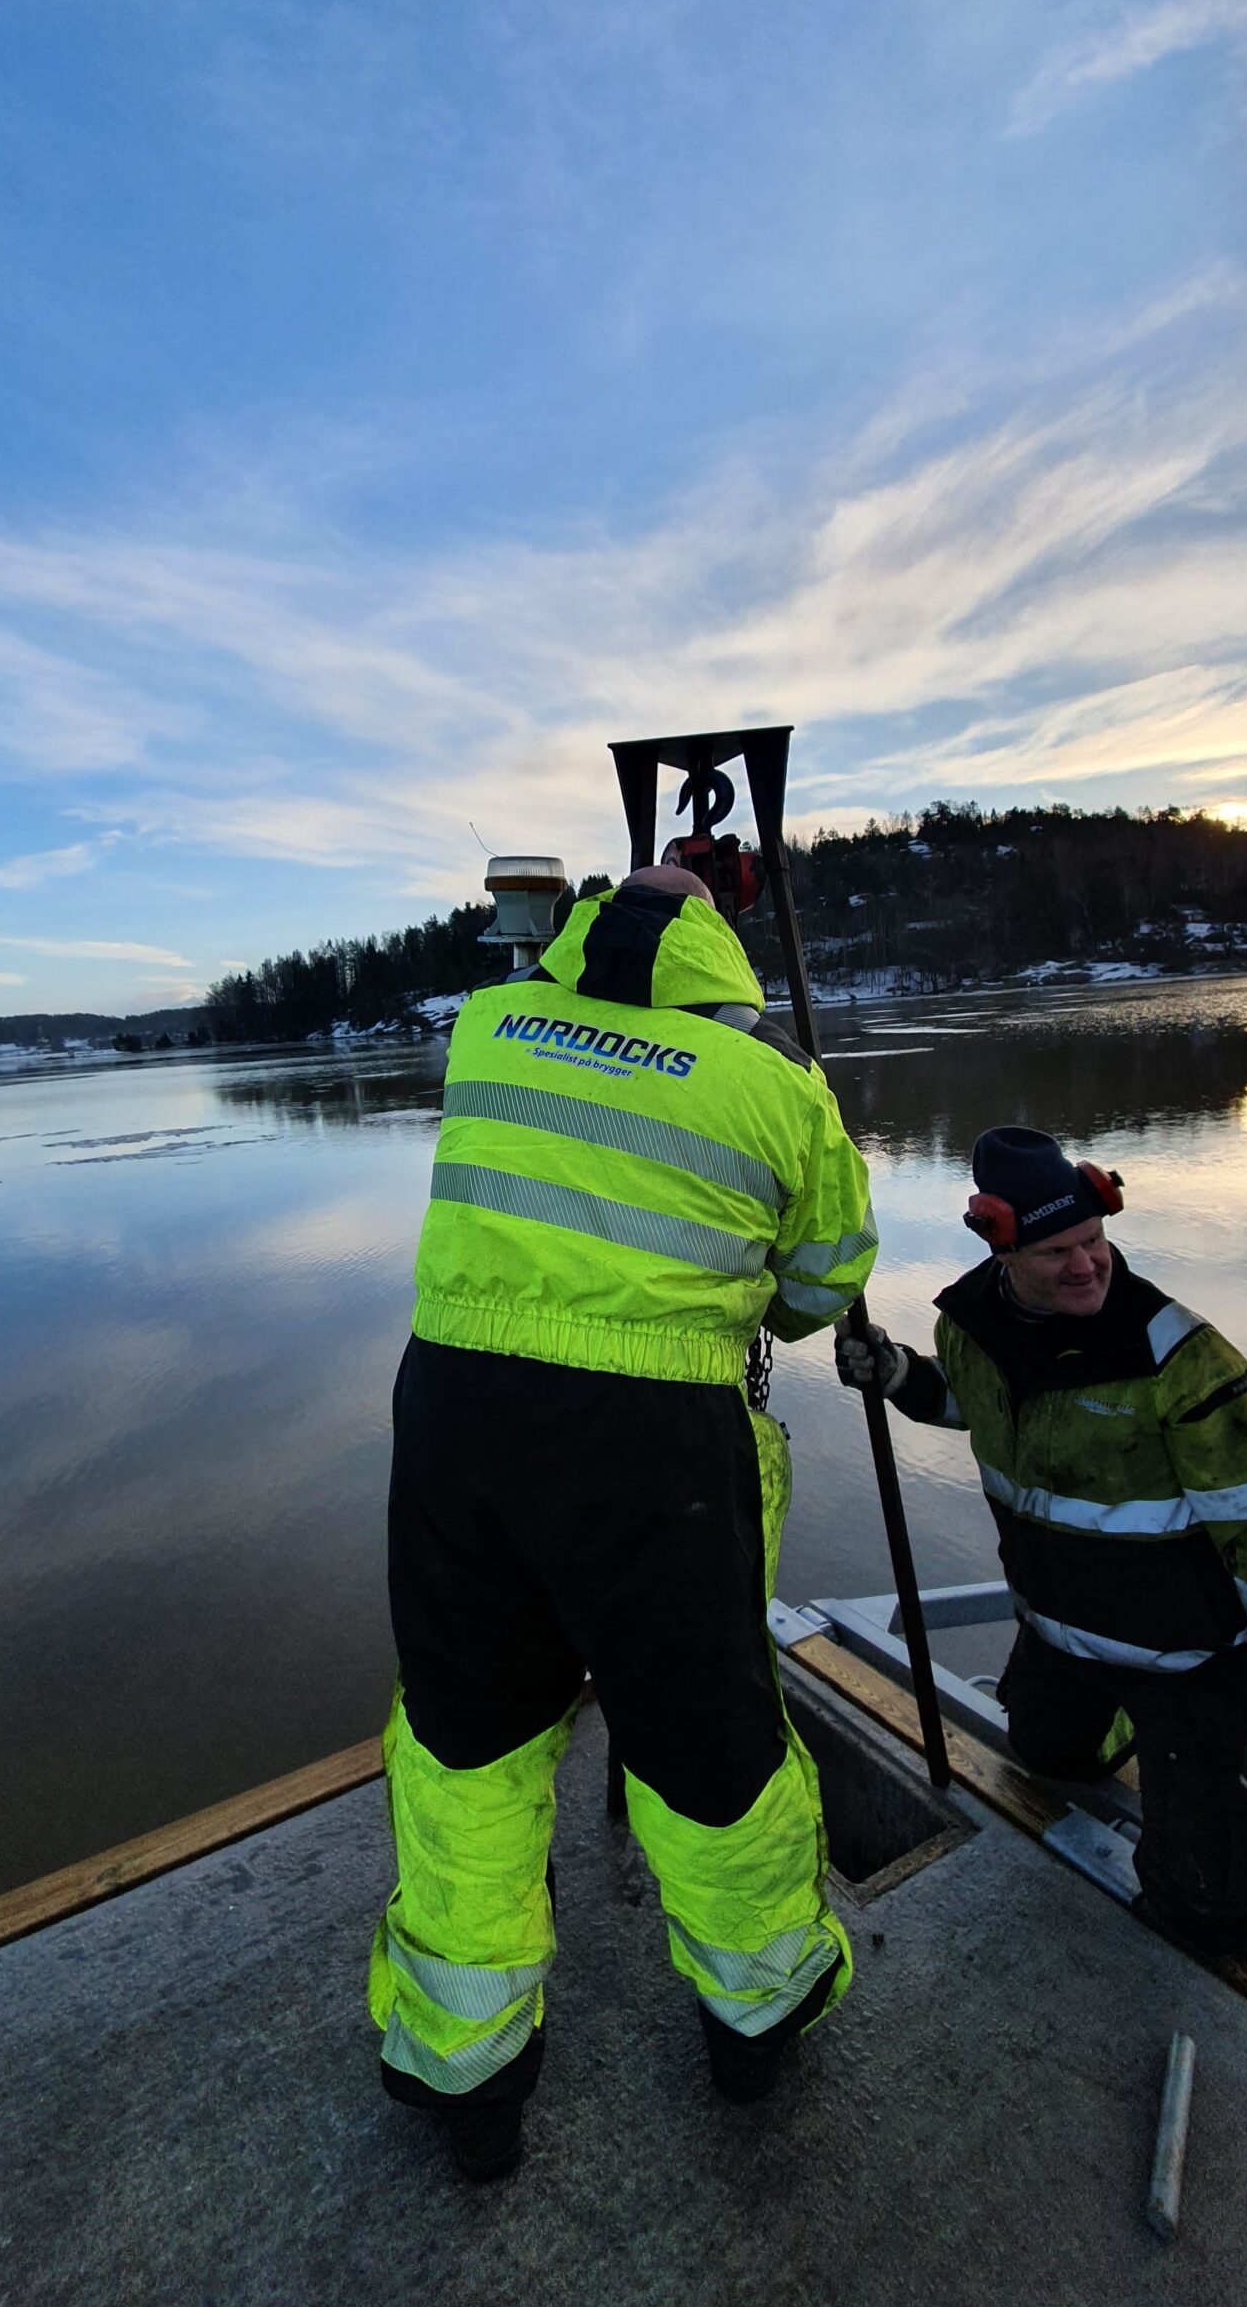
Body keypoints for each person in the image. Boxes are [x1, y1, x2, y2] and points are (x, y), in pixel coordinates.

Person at [370, 864, 880, 2179]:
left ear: (584, 925)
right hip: (655, 1446)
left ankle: (467, 2075)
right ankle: (754, 2022)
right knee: (709, 1746)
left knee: (468, 1741)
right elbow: (825, 1281)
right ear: (722, 949)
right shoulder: (780, 1083)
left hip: (458, 1419)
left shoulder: (491, 1025)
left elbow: (555, 1080)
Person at [838, 1125, 1247, 1955]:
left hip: (1189, 1653)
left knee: (1209, 1910)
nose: (1087, 1265)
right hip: (1067, 1632)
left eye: (1095, 1241)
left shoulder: (1177, 1356)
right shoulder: (972, 1325)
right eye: (1057, 1251)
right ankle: (1155, 1740)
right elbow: (981, 1406)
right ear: (1002, 1250)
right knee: (1043, 1752)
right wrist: (901, 1377)